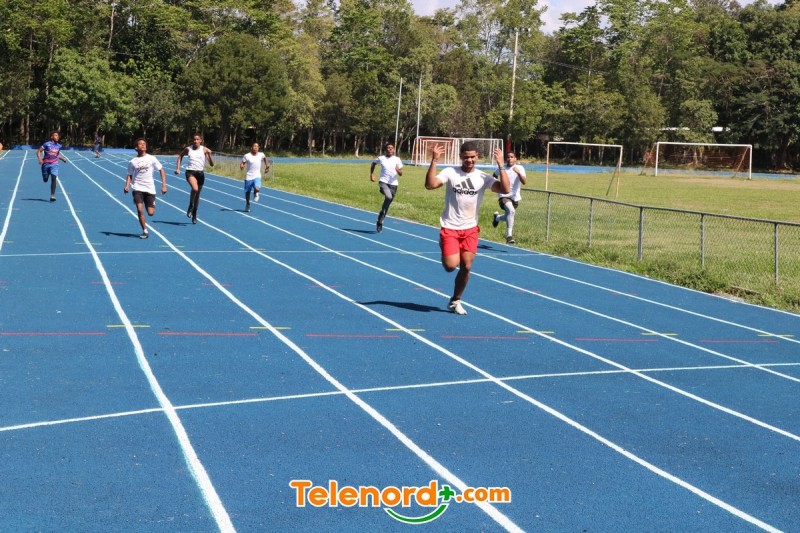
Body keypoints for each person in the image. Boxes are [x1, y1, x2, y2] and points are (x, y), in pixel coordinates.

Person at [426, 142, 509, 315]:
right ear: (461, 157)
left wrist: (501, 165)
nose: (469, 160)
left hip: (470, 228)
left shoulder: (483, 177)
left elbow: (505, 189)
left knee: (467, 266)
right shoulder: (451, 172)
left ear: (477, 156)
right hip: (450, 227)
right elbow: (430, 185)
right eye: (466, 157)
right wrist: (434, 161)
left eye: (472, 157)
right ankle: (444, 244)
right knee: (450, 266)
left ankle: (455, 300)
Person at [124, 138, 167, 239]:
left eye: (144, 144)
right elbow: (129, 175)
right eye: (140, 144)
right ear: (136, 147)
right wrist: (127, 186)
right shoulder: (133, 161)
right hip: (137, 187)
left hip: (150, 188)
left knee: (151, 213)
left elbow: (161, 170)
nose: (143, 145)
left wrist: (164, 185)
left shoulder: (152, 158)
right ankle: (145, 231)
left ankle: (152, 203)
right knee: (140, 210)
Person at [175, 133, 214, 224]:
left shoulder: (204, 149)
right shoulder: (188, 149)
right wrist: (178, 168)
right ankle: (191, 205)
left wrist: (209, 155)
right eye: (194, 139)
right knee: (195, 189)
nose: (195, 141)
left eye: (197, 139)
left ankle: (195, 213)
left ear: (201, 140)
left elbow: (212, 164)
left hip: (200, 173)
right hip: (190, 172)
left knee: (197, 195)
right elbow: (180, 156)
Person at [491, 151, 527, 244]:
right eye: (508, 157)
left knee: (509, 215)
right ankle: (509, 236)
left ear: (515, 159)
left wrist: (518, 173)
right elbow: (494, 176)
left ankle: (497, 218)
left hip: (515, 197)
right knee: (511, 211)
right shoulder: (502, 168)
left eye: (511, 157)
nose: (509, 159)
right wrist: (497, 186)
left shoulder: (520, 168)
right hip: (503, 196)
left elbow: (524, 182)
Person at [369, 142, 403, 232]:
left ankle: (380, 220)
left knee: (387, 205)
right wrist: (372, 174)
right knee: (388, 197)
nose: (390, 149)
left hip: (394, 184)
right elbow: (373, 163)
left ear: (394, 150)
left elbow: (401, 173)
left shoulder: (397, 159)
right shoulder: (381, 158)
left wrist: (398, 170)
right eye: (388, 147)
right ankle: (382, 191)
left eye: (392, 148)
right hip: (383, 182)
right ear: (385, 149)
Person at [36, 131, 69, 202]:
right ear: (52, 137)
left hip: (54, 164)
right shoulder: (46, 144)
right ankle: (45, 175)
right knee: (45, 179)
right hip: (45, 164)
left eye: (58, 135)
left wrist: (62, 158)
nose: (57, 137)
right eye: (55, 135)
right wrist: (40, 159)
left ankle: (52, 195)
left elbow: (57, 154)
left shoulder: (59, 146)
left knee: (54, 178)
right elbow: (38, 151)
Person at [239, 142, 269, 212]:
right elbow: (242, 163)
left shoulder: (261, 154)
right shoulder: (247, 156)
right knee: (247, 192)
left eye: (257, 146)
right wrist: (241, 166)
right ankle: (248, 204)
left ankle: (256, 193)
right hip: (249, 176)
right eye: (254, 146)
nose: (255, 148)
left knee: (257, 188)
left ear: (258, 148)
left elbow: (265, 158)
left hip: (257, 175)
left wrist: (267, 166)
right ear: (251, 147)